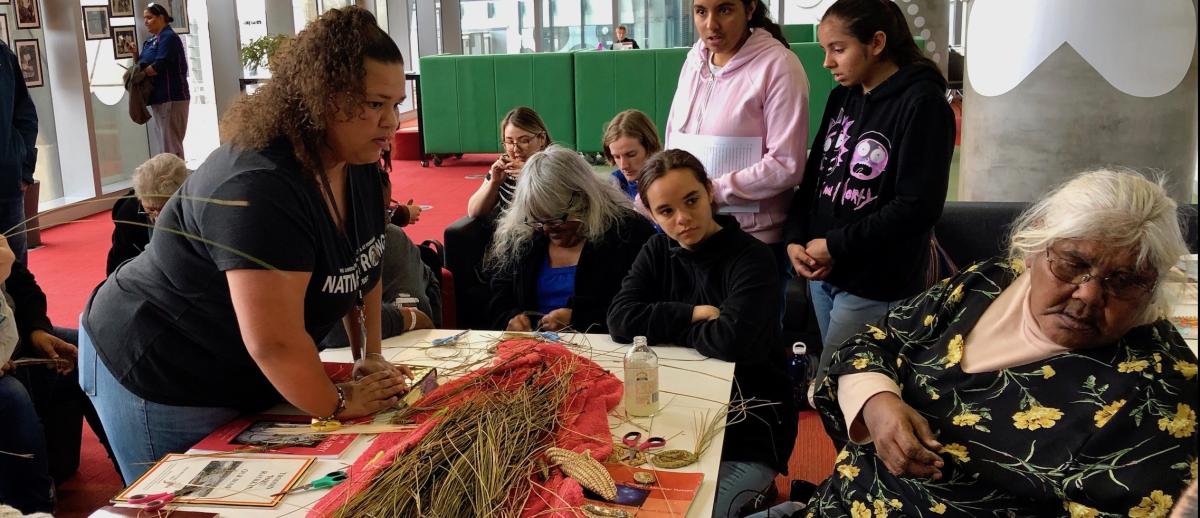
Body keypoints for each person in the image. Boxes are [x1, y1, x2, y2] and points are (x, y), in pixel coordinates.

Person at [80, 7, 411, 484]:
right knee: (192, 506)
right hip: (162, 365)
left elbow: (365, 269)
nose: (392, 123)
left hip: (245, 364)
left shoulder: (357, 161)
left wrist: (369, 355)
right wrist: (338, 402)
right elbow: (273, 342)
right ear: (323, 99)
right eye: (376, 104)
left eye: (396, 103)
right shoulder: (260, 184)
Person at [805, 169, 1197, 516]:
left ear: (1151, 288)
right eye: (1073, 264)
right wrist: (877, 400)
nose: (1089, 295)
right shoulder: (987, 284)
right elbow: (875, 340)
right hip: (836, 501)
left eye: (1125, 281)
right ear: (1035, 248)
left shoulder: (1162, 395)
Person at [607, 150, 796, 518]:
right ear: (651, 214)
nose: (682, 219)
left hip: (747, 431)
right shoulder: (658, 249)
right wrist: (693, 315)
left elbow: (732, 341)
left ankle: (791, 511)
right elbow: (619, 320)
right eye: (666, 211)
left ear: (710, 191)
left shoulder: (752, 258)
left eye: (691, 200)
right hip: (673, 419)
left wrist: (667, 330)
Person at [783, 0, 955, 393]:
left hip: (875, 283)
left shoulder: (923, 104)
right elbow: (813, 182)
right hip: (821, 272)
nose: (827, 61)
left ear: (876, 43)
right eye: (825, 49)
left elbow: (918, 207)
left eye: (838, 48)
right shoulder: (841, 98)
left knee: (841, 390)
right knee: (839, 389)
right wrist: (795, 239)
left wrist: (836, 245)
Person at [665, 0, 808, 260]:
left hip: (753, 240)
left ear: (750, 9)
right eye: (701, 11)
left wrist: (708, 192)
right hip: (693, 233)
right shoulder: (694, 60)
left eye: (725, 10)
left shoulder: (779, 65)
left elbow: (786, 165)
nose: (711, 25)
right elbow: (673, 140)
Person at [488, 145, 654, 333]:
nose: (547, 229)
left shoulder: (629, 234)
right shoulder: (523, 234)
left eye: (557, 220)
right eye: (539, 221)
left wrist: (581, 319)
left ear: (584, 200)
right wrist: (511, 319)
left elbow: (643, 308)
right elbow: (499, 298)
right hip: (532, 350)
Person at [106, 153, 189, 274]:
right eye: (151, 210)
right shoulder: (128, 214)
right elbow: (118, 262)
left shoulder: (198, 209)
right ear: (139, 198)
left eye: (164, 209)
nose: (158, 218)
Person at [128, 3, 190, 159]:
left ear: (161, 17)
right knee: (164, 144)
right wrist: (135, 54)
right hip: (158, 98)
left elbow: (159, 65)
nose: (146, 22)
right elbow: (142, 63)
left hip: (171, 96)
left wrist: (140, 74)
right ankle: (171, 180)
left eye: (149, 18)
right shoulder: (151, 40)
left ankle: (177, 181)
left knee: (171, 145)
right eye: (144, 19)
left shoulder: (169, 37)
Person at [465, 106, 551, 217]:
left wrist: (530, 175)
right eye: (509, 142)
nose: (515, 149)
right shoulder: (504, 166)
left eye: (524, 141)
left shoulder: (555, 165)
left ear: (542, 138)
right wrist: (494, 183)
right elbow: (473, 212)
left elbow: (552, 212)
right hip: (509, 231)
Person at [0, 41, 38, 266]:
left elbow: (25, 114)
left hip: (7, 180)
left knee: (16, 269)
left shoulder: (4, 55)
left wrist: (24, 169)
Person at [602, 109, 661, 200]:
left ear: (650, 148)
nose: (623, 165)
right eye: (616, 157)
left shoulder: (671, 183)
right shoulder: (615, 184)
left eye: (631, 155)